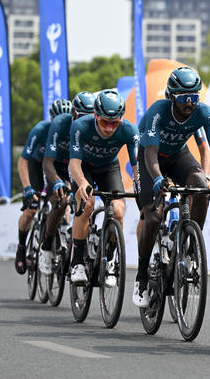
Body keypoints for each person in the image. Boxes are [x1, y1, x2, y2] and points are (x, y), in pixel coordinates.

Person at [133, 66, 210, 307]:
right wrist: (158, 178)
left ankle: (190, 250)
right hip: (152, 159)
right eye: (184, 98)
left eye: (194, 97)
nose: (190, 103)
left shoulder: (204, 113)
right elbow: (150, 153)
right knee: (153, 217)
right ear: (172, 96)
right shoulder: (158, 111)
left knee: (201, 189)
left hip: (179, 155)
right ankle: (140, 278)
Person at [69, 89, 139, 284]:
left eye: (114, 123)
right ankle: (77, 263)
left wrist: (140, 186)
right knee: (87, 205)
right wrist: (82, 183)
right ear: (95, 116)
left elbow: (137, 166)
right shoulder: (80, 126)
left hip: (109, 167)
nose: (109, 128)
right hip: (84, 168)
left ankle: (109, 261)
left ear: (121, 119)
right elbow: (74, 162)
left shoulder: (129, 130)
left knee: (118, 210)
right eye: (104, 122)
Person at [38, 94, 94, 275]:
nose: (85, 120)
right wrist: (55, 182)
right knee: (61, 202)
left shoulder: (94, 126)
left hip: (77, 165)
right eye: (81, 116)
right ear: (73, 114)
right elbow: (47, 162)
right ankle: (46, 247)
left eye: (89, 116)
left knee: (85, 202)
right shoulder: (60, 124)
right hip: (57, 166)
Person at [14, 100, 69, 274]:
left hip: (59, 166)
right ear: (51, 119)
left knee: (62, 200)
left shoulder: (72, 130)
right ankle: (22, 247)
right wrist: (27, 188)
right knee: (31, 210)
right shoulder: (40, 130)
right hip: (37, 164)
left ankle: (62, 233)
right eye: (56, 120)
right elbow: (23, 161)